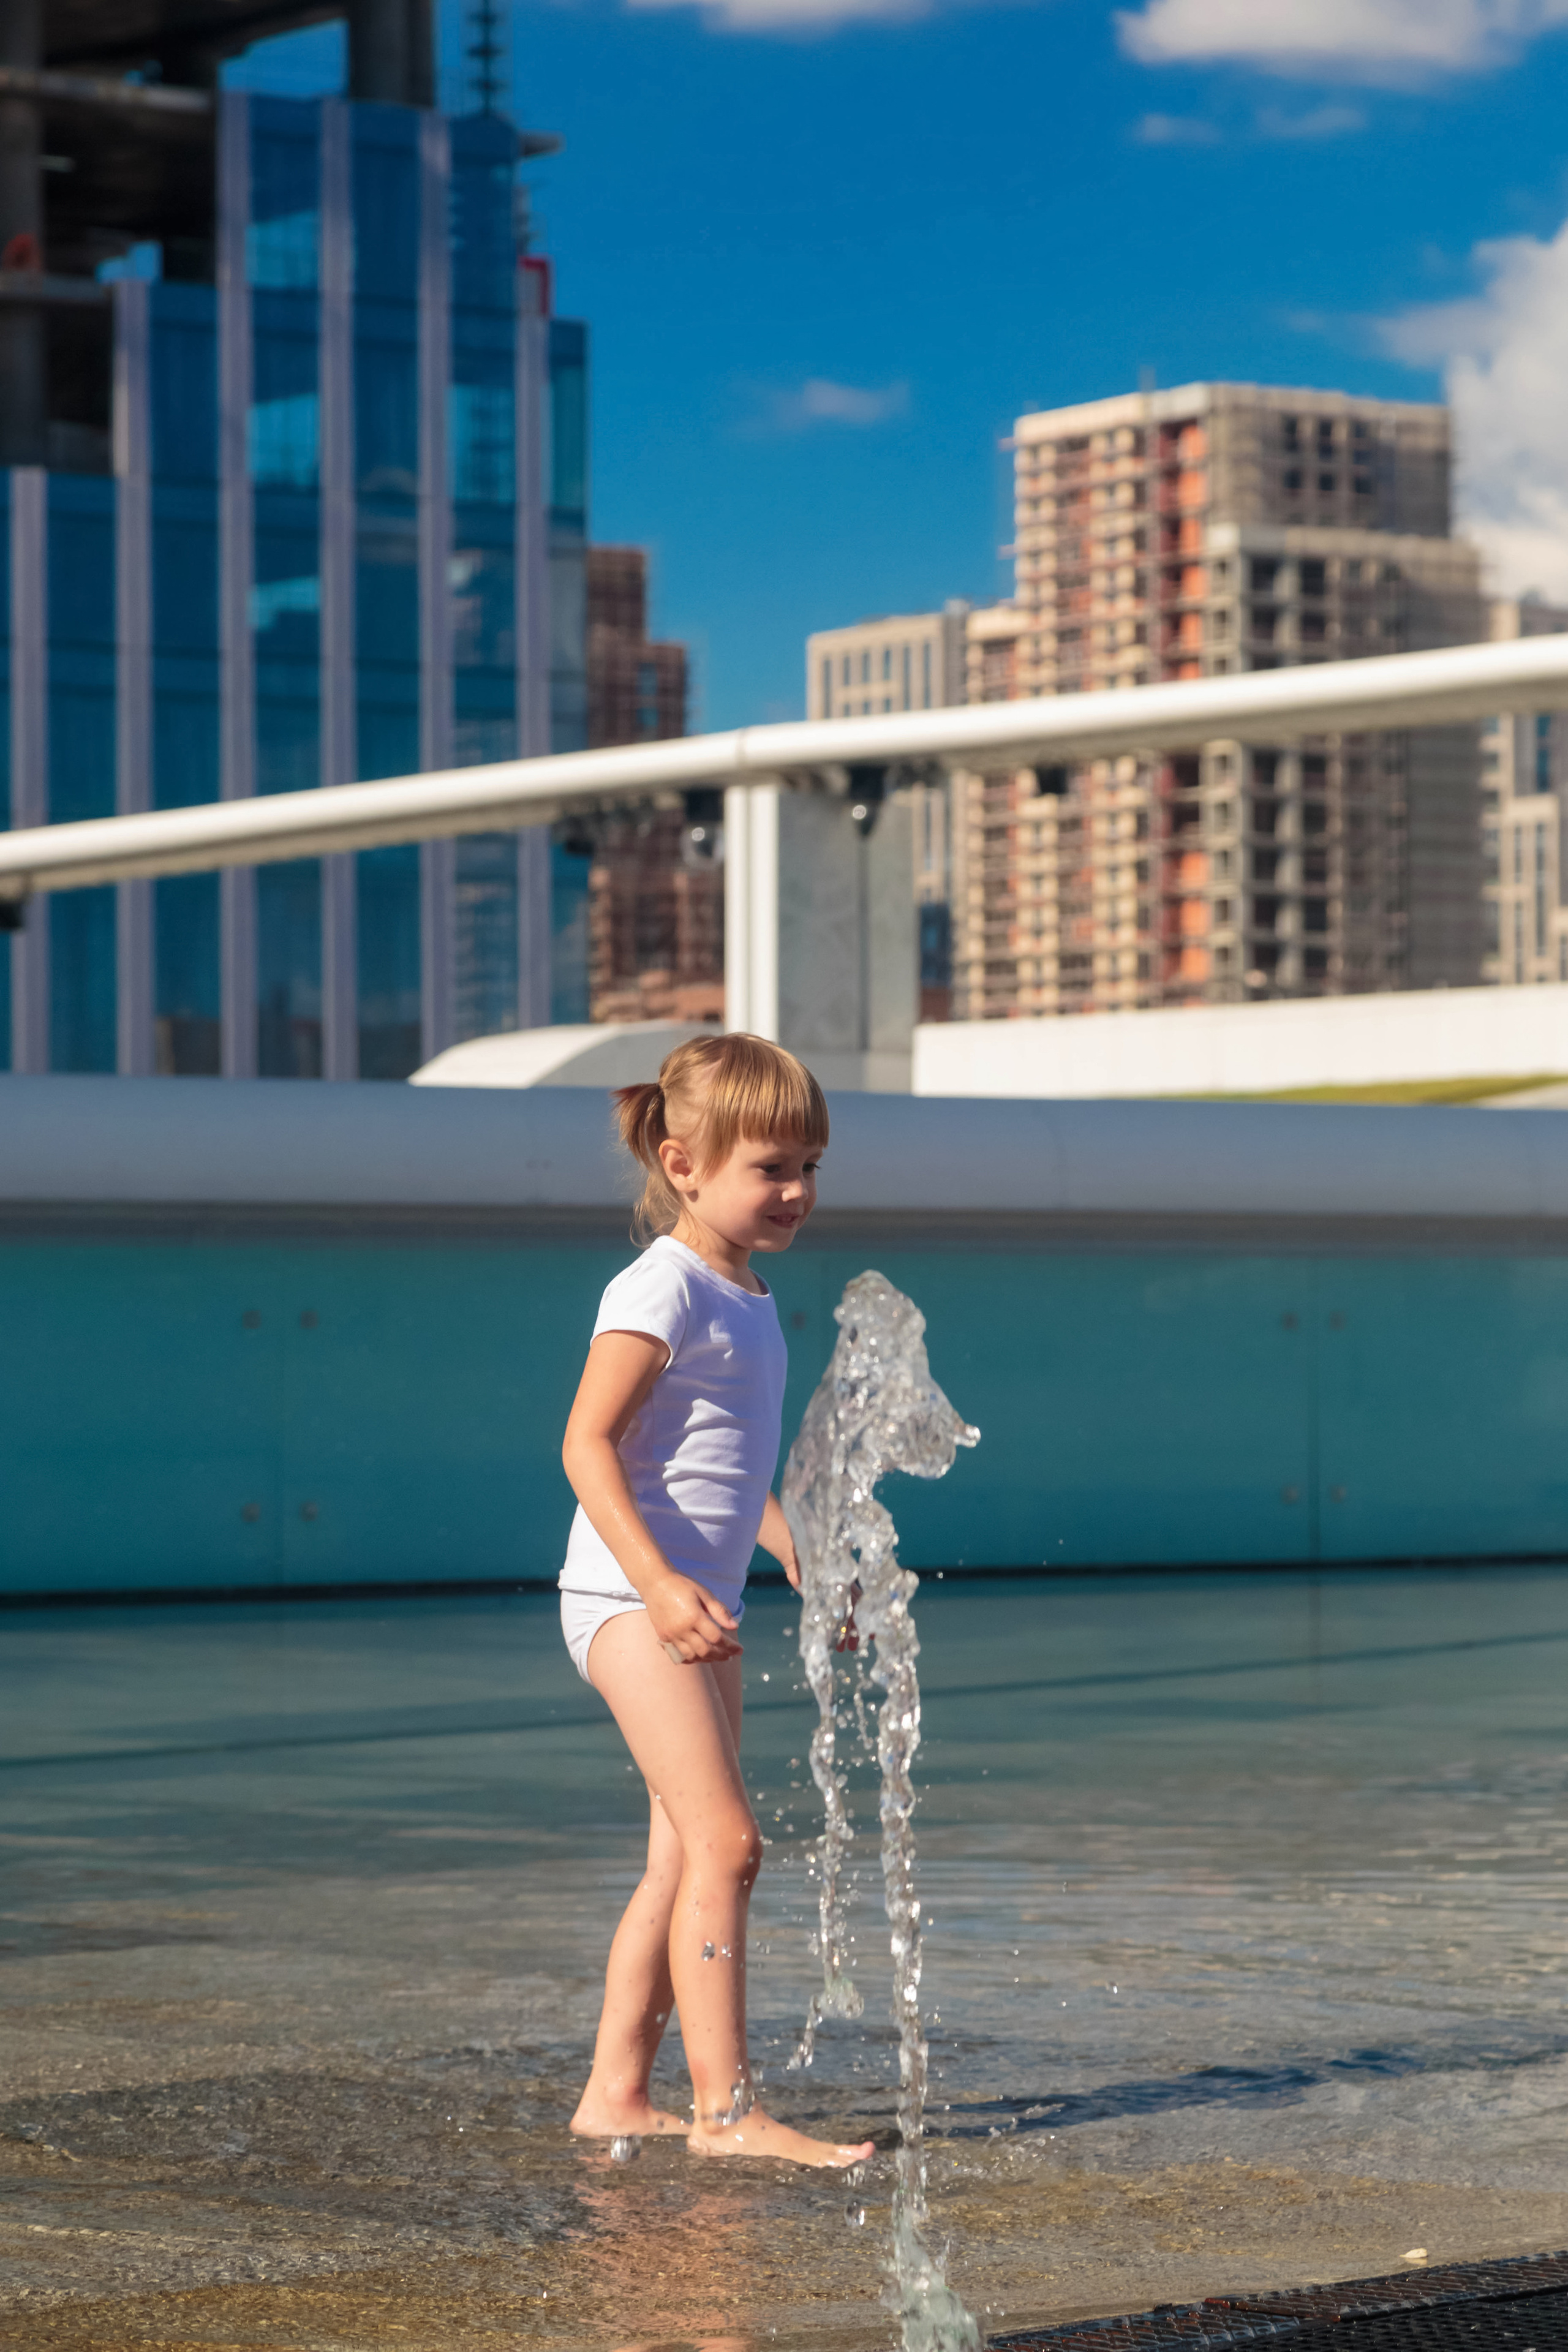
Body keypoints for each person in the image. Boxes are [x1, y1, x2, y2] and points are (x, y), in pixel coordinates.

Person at [559, 1031, 875, 2166]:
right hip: (632, 1598)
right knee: (729, 1844)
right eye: (771, 1168)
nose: (796, 1191)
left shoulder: (746, 1292)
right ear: (684, 1165)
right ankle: (725, 2114)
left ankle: (614, 2094)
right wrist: (656, 1585)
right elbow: (587, 1443)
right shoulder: (664, 1284)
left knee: (682, 1858)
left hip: (696, 1606)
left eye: (810, 1168)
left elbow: (728, 1471)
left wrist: (798, 1551)